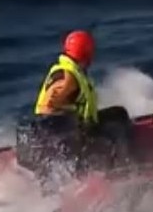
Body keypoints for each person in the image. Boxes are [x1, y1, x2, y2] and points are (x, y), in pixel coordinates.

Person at [16, 30, 132, 186]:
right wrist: (74, 130)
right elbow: (47, 111)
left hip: (80, 127)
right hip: (71, 135)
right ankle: (123, 170)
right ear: (86, 52)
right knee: (114, 132)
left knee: (118, 114)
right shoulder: (68, 76)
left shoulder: (71, 69)